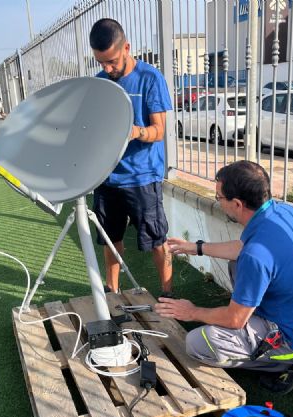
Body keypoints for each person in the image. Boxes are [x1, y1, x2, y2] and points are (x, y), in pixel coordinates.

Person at [154, 161, 293, 393]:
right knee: (236, 264)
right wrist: (195, 247)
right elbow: (243, 248)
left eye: (219, 198)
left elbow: (235, 320)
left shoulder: (255, 255)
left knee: (198, 343)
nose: (218, 202)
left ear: (237, 204)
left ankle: (284, 363)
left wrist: (192, 312)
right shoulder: (285, 213)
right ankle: (257, 327)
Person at [89, 18, 173, 296]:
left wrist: (135, 132)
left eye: (112, 61)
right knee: (110, 239)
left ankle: (167, 293)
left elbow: (159, 131)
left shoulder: (150, 78)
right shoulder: (101, 83)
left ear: (126, 48)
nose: (107, 69)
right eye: (101, 63)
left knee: (156, 239)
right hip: (108, 177)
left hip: (142, 176)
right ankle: (111, 291)